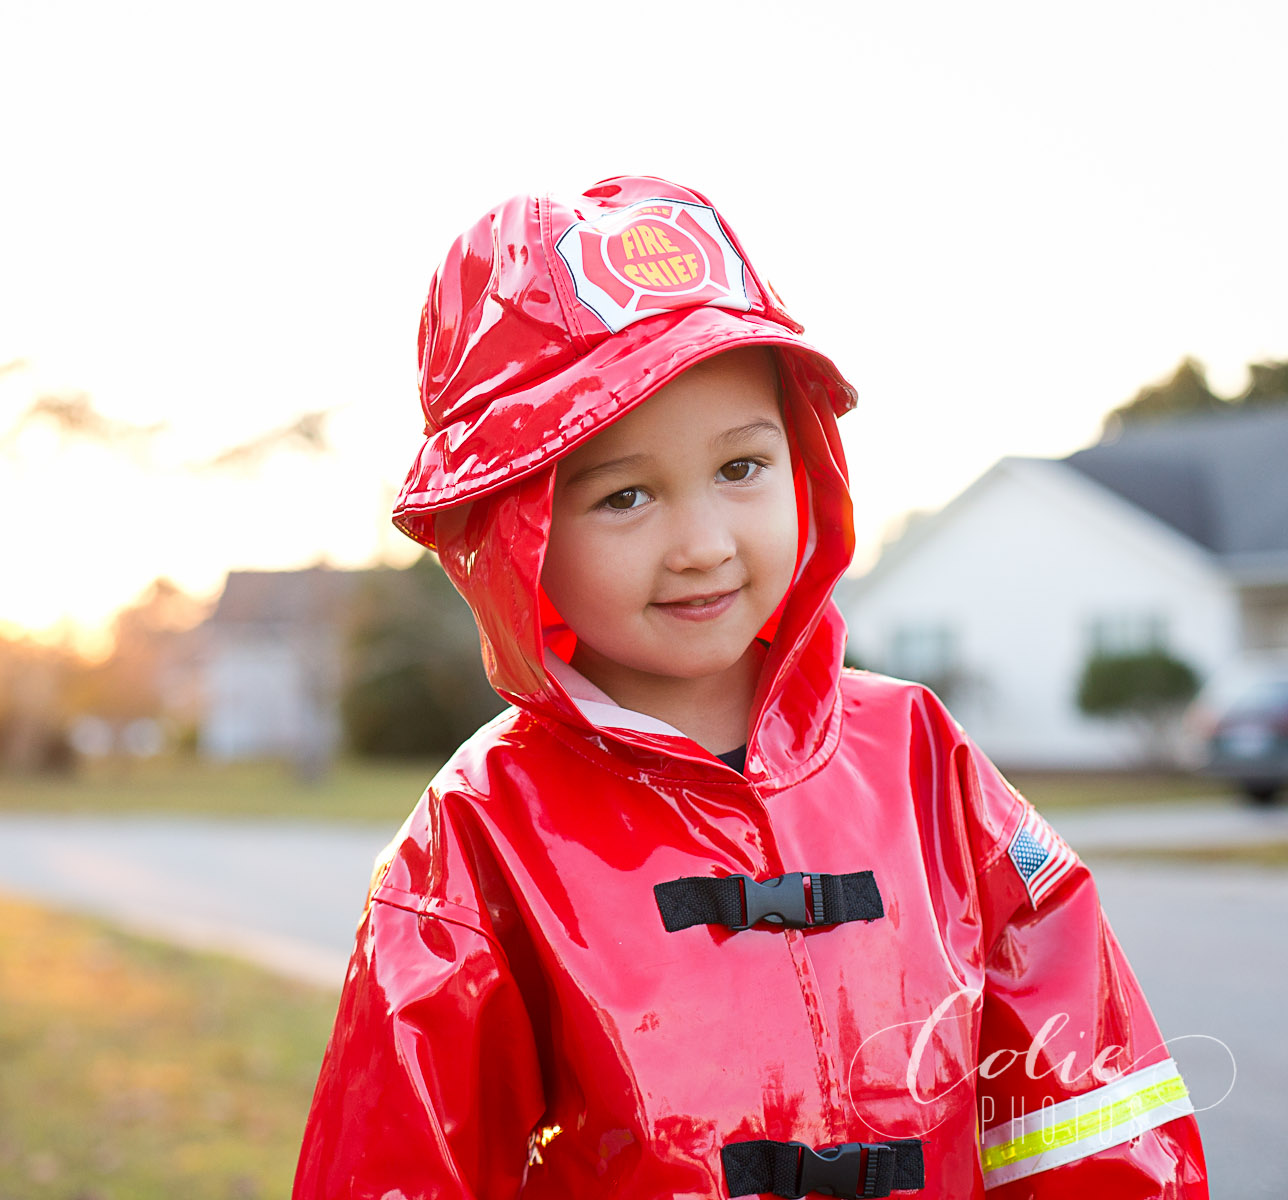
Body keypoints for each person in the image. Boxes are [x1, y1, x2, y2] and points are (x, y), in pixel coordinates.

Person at [291, 177, 1209, 1198]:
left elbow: (1090, 1114)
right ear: (513, 531)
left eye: (742, 468)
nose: (704, 545)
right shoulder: (480, 842)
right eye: (625, 495)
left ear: (805, 460)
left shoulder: (919, 760)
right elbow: (396, 1172)